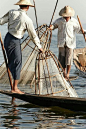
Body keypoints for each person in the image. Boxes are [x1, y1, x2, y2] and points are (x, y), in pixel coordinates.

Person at [0, 0, 43, 94]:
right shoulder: (27, 20)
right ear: (28, 7)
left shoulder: (12, 12)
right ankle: (15, 88)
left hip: (8, 38)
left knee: (13, 62)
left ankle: (13, 85)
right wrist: (39, 46)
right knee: (18, 63)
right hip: (14, 40)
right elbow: (33, 35)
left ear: (20, 5)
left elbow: (1, 21)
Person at [49, 5, 84, 80]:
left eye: (67, 16)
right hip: (61, 42)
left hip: (70, 43)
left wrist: (84, 32)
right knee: (62, 59)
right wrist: (51, 27)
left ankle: (67, 74)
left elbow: (78, 30)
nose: (66, 17)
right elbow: (54, 26)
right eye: (65, 16)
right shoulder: (59, 20)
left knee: (69, 59)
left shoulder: (74, 21)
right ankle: (63, 73)